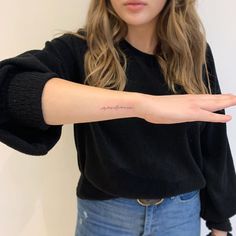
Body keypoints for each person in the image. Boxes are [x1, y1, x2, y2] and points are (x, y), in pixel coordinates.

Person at [0, 0, 236, 235]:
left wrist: (220, 223)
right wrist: (142, 105)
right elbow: (10, 92)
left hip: (180, 215)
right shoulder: (80, 50)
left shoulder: (195, 54)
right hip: (104, 216)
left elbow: (213, 142)